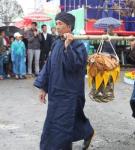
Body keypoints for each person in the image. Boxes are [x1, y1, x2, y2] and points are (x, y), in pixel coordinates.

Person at [34, 12, 94, 150]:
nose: (57, 26)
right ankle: (88, 131)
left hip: (70, 94)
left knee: (62, 126)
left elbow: (74, 66)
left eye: (60, 23)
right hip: (56, 92)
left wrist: (68, 46)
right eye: (57, 23)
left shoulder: (78, 45)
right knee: (56, 123)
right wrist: (43, 87)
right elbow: (49, 66)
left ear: (69, 26)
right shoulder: (56, 43)